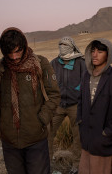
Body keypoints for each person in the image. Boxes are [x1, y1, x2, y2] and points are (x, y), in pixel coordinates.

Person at [0, 27, 61, 174]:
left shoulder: (40, 63)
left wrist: (41, 119)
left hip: (36, 138)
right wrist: (1, 124)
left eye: (18, 51)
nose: (14, 57)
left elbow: (54, 94)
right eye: (9, 53)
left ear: (25, 46)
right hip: (9, 141)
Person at [77, 39, 112, 174]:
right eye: (93, 51)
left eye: (100, 51)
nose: (95, 55)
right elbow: (81, 101)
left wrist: (108, 132)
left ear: (108, 54)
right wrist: (80, 122)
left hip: (107, 142)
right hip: (88, 139)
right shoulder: (86, 75)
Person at [48, 36, 86, 173]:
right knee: (48, 132)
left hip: (75, 105)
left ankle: (77, 165)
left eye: (65, 44)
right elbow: (49, 82)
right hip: (58, 105)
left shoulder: (81, 62)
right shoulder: (54, 62)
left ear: (72, 46)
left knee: (78, 136)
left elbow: (86, 80)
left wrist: (77, 91)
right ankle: (46, 161)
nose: (62, 46)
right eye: (60, 44)